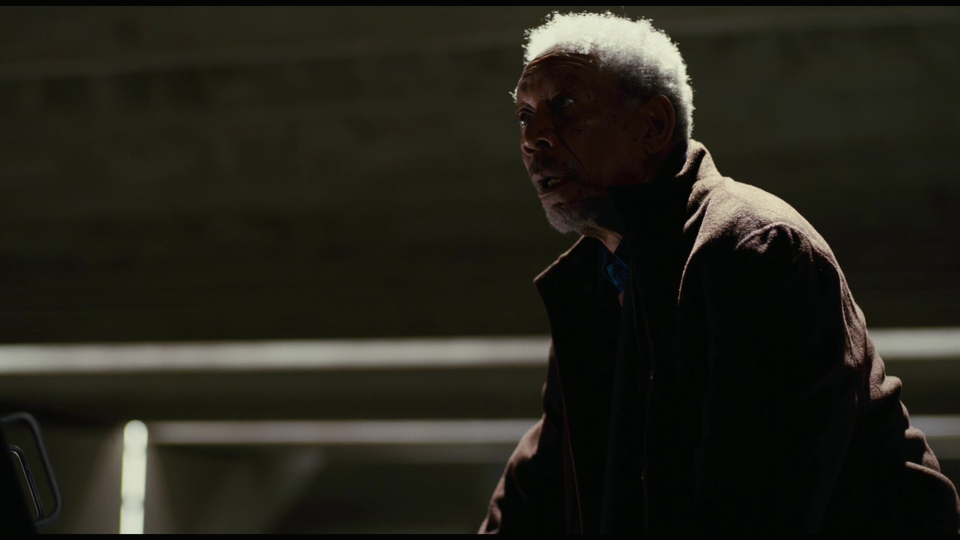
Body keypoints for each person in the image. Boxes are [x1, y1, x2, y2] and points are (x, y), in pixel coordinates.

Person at [479, 11, 960, 533]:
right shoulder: (600, 281)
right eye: (525, 115)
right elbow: (540, 488)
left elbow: (756, 503)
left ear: (653, 125)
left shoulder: (755, 249)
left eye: (565, 105)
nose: (535, 137)